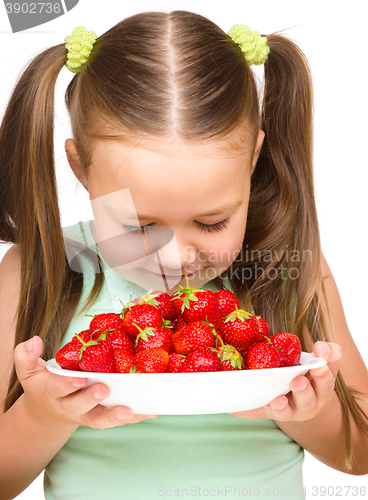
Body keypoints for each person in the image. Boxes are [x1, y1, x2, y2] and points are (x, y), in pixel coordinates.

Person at [0, 9, 367, 500]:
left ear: (253, 161)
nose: (174, 259)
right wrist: (41, 414)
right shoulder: (37, 271)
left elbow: (359, 453)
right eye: (138, 226)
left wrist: (315, 413)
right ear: (80, 169)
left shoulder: (289, 267)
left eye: (212, 222)